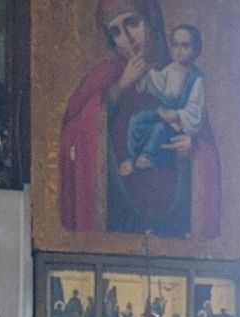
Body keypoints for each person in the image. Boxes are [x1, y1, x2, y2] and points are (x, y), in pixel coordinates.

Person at [57, 0, 221, 240]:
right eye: (116, 32)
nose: (127, 38)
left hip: (172, 217)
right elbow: (71, 134)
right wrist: (120, 87)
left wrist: (192, 148)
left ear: (151, 21)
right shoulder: (106, 76)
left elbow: (205, 147)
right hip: (119, 214)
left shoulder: (184, 76)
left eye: (132, 23)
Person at [121, 24, 206, 177]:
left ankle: (147, 156)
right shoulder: (171, 69)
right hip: (161, 109)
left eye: (185, 46)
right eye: (175, 45)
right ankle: (131, 157)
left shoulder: (196, 78)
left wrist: (177, 115)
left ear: (195, 49)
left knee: (159, 129)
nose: (179, 51)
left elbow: (195, 107)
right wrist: (145, 74)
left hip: (176, 121)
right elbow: (157, 83)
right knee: (136, 120)